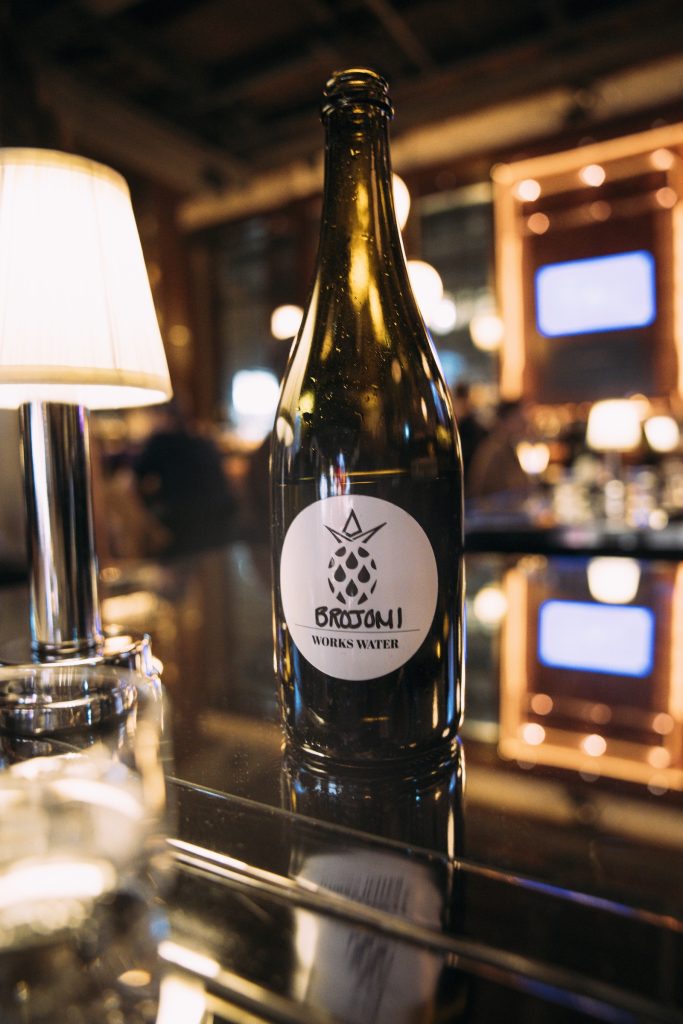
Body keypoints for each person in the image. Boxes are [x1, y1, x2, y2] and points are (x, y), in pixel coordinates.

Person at [132, 402, 237, 556]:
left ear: (163, 417)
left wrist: (148, 506)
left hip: (183, 519)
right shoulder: (204, 440)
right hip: (220, 517)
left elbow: (136, 476)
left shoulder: (161, 442)